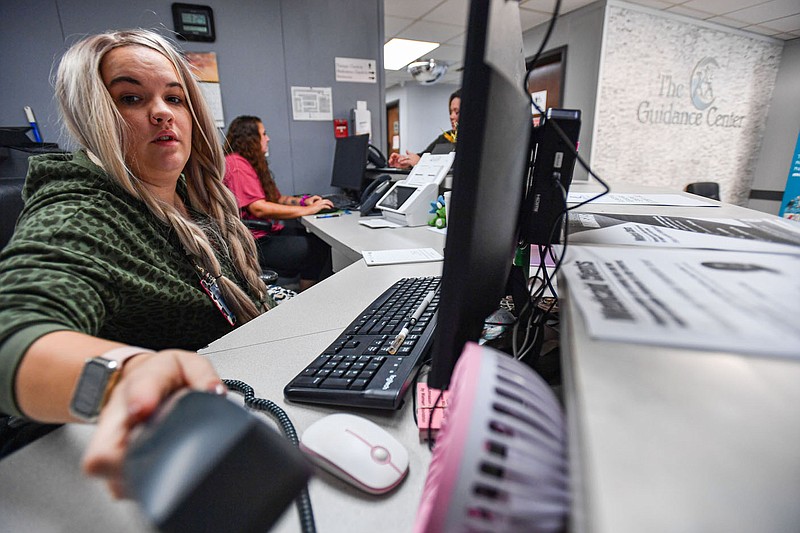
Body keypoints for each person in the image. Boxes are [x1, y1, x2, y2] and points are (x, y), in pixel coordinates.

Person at [0, 29, 271, 496]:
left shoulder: (195, 192)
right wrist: (121, 376)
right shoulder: (82, 210)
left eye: (175, 97)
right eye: (130, 97)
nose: (163, 111)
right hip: (147, 463)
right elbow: (14, 331)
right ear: (93, 114)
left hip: (237, 395)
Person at [223, 115, 333, 291]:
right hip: (254, 243)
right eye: (263, 133)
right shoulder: (237, 165)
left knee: (315, 238)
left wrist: (304, 201)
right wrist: (309, 210)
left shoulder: (250, 164)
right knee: (317, 247)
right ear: (249, 138)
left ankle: (305, 290)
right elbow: (258, 208)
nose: (268, 138)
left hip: (264, 233)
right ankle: (306, 296)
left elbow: (277, 199)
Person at [388, 89, 460, 169]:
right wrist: (406, 162)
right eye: (450, 112)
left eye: (457, 112)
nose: (451, 116)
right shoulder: (445, 137)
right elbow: (424, 156)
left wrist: (421, 164)